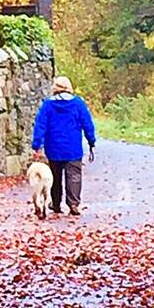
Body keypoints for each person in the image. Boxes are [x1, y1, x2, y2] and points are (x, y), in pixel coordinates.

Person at [31, 75, 96, 216]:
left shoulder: (48, 105)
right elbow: (87, 124)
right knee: (74, 176)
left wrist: (37, 144)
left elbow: (40, 125)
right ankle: (73, 203)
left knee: (55, 176)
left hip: (53, 147)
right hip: (73, 147)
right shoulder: (78, 104)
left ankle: (55, 203)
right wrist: (91, 141)